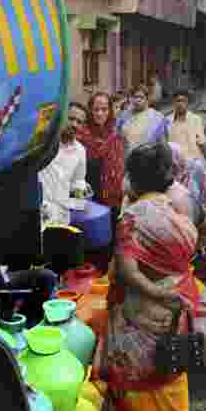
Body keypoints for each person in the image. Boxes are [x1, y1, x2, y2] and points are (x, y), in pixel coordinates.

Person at [98, 142, 199, 411]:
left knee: (134, 378)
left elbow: (127, 273)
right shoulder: (181, 207)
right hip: (178, 307)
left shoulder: (132, 216)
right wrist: (175, 286)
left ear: (134, 179)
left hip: (143, 310)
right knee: (171, 371)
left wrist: (160, 291)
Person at [76, 92, 126, 272]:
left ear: (110, 111)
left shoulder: (116, 137)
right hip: (89, 200)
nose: (99, 114)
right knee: (89, 244)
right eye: (96, 109)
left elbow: (121, 169)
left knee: (109, 244)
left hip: (112, 201)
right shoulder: (81, 137)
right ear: (90, 110)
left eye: (104, 109)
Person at [169, 142, 206, 286]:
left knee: (199, 279)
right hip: (177, 236)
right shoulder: (164, 175)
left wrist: (202, 242)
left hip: (199, 230)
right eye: (170, 165)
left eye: (175, 164)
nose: (174, 169)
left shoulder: (195, 169)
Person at [39, 102, 89, 226]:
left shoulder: (80, 151)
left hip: (61, 218)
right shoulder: (44, 142)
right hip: (36, 213)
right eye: (71, 119)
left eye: (79, 122)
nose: (74, 124)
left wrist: (78, 205)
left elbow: (78, 181)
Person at [118, 85, 169, 157]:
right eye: (135, 97)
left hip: (149, 159)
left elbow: (163, 143)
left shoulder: (157, 117)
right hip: (126, 159)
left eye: (141, 97)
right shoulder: (124, 116)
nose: (138, 100)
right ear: (131, 98)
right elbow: (117, 136)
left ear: (147, 99)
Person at [167, 88, 206, 166]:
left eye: (183, 101)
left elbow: (202, 143)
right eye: (178, 101)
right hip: (175, 165)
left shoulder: (196, 119)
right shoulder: (167, 121)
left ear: (187, 103)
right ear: (173, 103)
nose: (180, 103)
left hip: (193, 163)